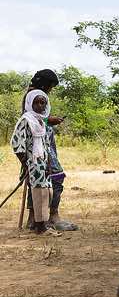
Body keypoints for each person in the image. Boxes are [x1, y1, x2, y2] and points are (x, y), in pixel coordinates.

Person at [21, 70, 77, 232]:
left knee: (36, 180)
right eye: (50, 86)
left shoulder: (32, 94)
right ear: (45, 84)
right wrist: (48, 120)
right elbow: (29, 118)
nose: (51, 90)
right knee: (56, 177)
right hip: (38, 147)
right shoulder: (33, 95)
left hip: (40, 145)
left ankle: (34, 218)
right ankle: (53, 216)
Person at [11, 90, 61, 237]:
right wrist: (26, 163)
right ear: (30, 104)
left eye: (42, 102)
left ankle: (44, 224)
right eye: (36, 102)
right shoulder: (26, 120)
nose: (40, 105)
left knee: (47, 192)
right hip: (33, 162)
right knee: (38, 193)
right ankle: (39, 227)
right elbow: (16, 143)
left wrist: (49, 163)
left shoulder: (40, 121)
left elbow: (46, 144)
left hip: (44, 163)